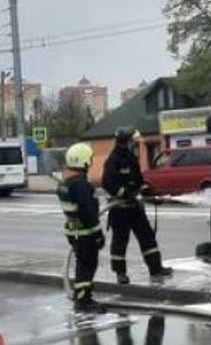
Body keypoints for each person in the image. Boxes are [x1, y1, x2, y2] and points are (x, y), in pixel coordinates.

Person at [102, 126, 173, 284]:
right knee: (120, 242)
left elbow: (137, 180)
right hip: (119, 210)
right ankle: (120, 273)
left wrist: (145, 189)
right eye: (132, 141)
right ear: (125, 141)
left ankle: (156, 269)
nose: (135, 143)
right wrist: (124, 193)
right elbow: (107, 183)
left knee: (147, 238)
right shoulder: (113, 160)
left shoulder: (131, 157)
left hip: (135, 208)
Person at [57, 142, 105, 313]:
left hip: (74, 231)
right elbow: (88, 213)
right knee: (87, 265)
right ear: (83, 161)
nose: (91, 162)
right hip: (85, 233)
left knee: (82, 264)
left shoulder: (65, 183)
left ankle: (83, 297)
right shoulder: (81, 185)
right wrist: (98, 234)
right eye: (90, 159)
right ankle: (83, 301)